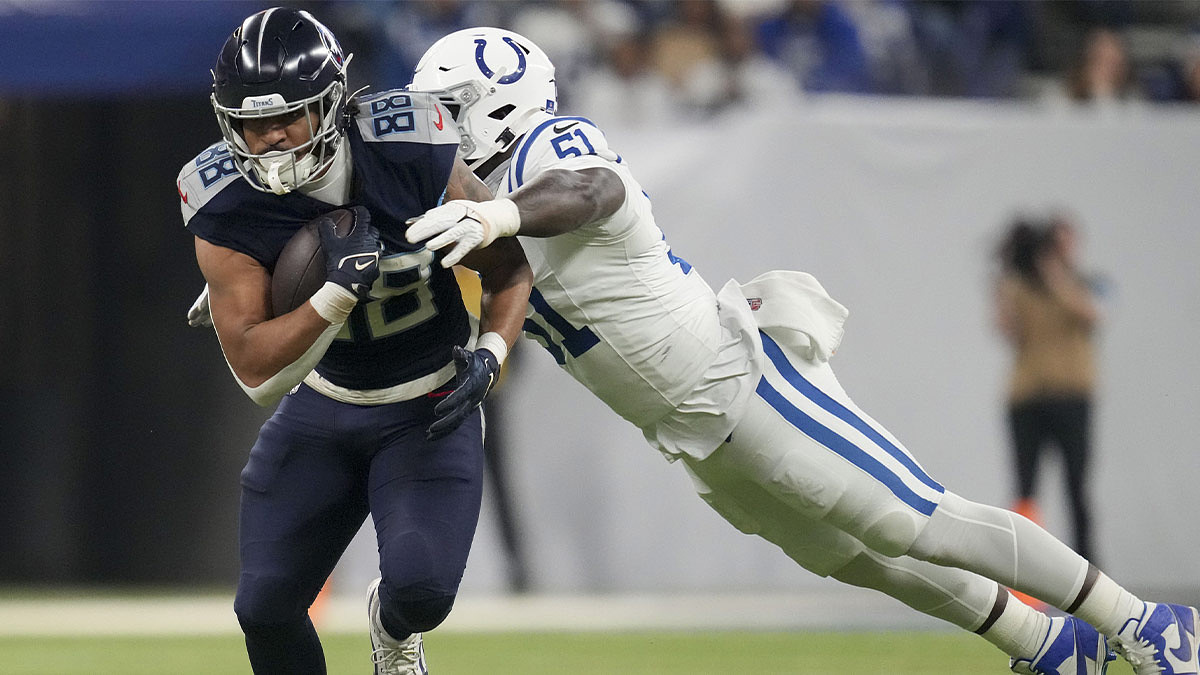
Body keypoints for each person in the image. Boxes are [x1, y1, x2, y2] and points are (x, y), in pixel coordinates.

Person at [403, 27, 1199, 675]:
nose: (439, 129)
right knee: (856, 557)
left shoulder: (551, 145)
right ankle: (1049, 644)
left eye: (450, 110)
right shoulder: (475, 201)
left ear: (497, 104)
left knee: (917, 517)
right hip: (685, 427)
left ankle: (1146, 622)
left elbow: (590, 191)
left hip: (739, 378)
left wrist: (497, 216)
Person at [178, 9, 532, 675]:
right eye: (251, 123)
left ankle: (392, 631)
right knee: (265, 607)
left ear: (332, 104)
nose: (270, 137)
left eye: (289, 116)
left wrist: (491, 353)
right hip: (322, 404)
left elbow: (510, 269)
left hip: (428, 404)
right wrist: (334, 294)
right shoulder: (222, 199)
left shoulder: (409, 147)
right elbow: (258, 376)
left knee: (422, 591)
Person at [994, 215, 1101, 563]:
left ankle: (1088, 567)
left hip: (1072, 395)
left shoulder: (1083, 283)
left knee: (1077, 485)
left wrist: (1056, 279)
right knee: (1026, 487)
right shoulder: (1018, 286)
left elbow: (1093, 315)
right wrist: (1007, 284)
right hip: (1027, 396)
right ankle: (1023, 568)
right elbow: (1007, 331)